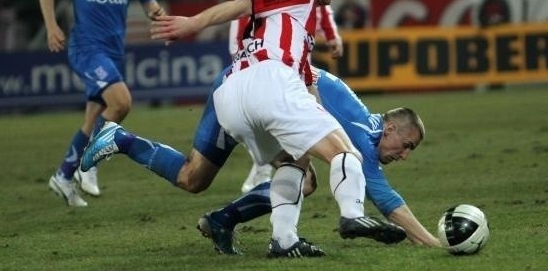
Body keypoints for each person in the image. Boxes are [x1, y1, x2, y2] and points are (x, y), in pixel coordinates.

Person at [83, 0, 406, 258]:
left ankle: (283, 239)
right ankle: (351, 214)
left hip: (233, 95)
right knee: (345, 153)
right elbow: (244, 4)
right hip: (268, 82)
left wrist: (318, 123)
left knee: (281, 163)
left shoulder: (298, 32)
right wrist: (191, 24)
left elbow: (308, 88)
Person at [81, 65, 438, 255]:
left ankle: (124, 141)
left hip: (249, 95)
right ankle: (276, 238)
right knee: (305, 175)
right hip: (252, 94)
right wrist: (431, 243)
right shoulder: (362, 135)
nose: (404, 156)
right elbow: (386, 201)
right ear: (390, 128)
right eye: (405, 145)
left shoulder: (366, 123)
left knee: (193, 178)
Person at [39, 0, 165, 207]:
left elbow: (149, 2)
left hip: (113, 50)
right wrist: (52, 27)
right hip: (86, 47)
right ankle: (89, 165)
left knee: (94, 116)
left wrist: (161, 17)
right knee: (121, 102)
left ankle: (64, 175)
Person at [228, 0, 344, 194]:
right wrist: (238, 46)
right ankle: (266, 166)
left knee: (296, 111)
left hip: (297, 51)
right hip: (262, 55)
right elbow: (244, 3)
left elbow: (320, 6)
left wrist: (332, 34)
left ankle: (277, 171)